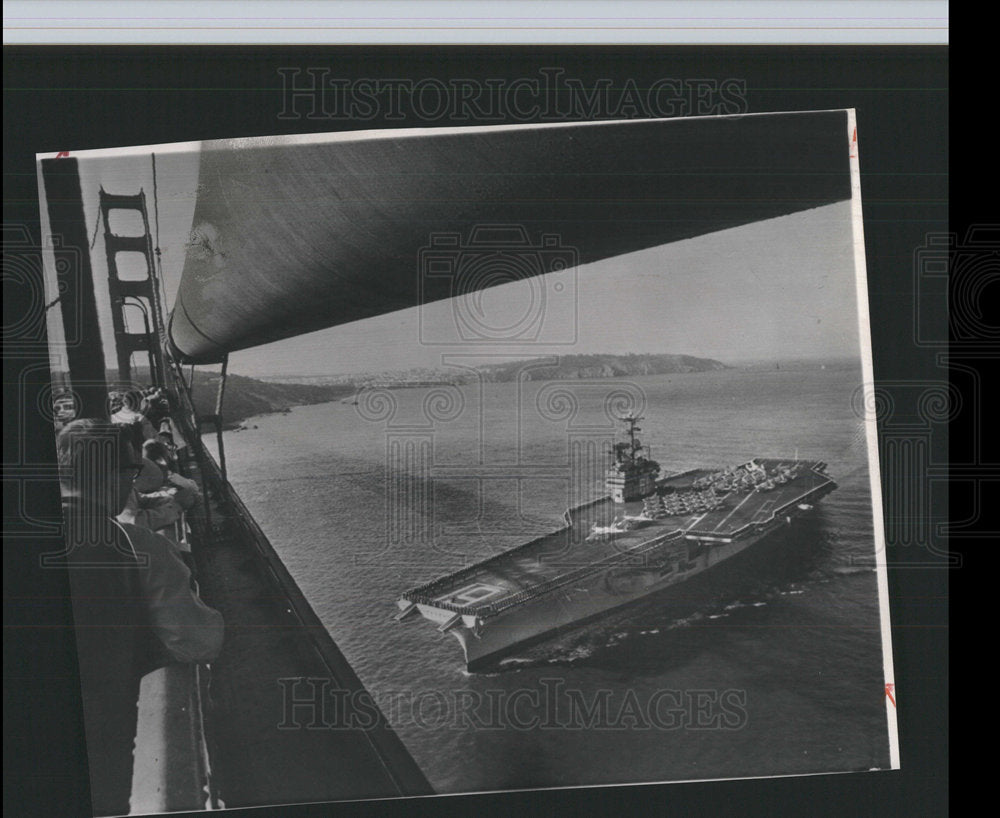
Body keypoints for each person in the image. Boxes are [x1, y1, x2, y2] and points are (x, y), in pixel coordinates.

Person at [57, 418, 224, 816]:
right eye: (130, 471)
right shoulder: (136, 548)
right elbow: (200, 641)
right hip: (104, 754)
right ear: (110, 475)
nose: (133, 484)